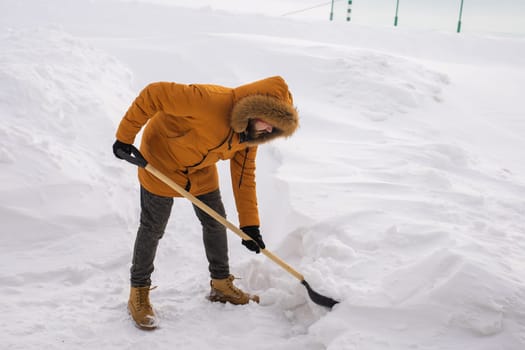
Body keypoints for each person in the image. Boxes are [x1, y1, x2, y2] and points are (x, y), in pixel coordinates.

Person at [112, 76, 299, 330]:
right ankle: (139, 291)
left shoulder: (249, 136)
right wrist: (125, 137)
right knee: (153, 227)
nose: (269, 131)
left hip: (199, 170)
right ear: (255, 109)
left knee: (214, 221)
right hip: (160, 160)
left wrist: (250, 226)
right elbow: (153, 94)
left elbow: (244, 177)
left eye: (276, 129)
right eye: (271, 123)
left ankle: (221, 284)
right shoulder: (208, 101)